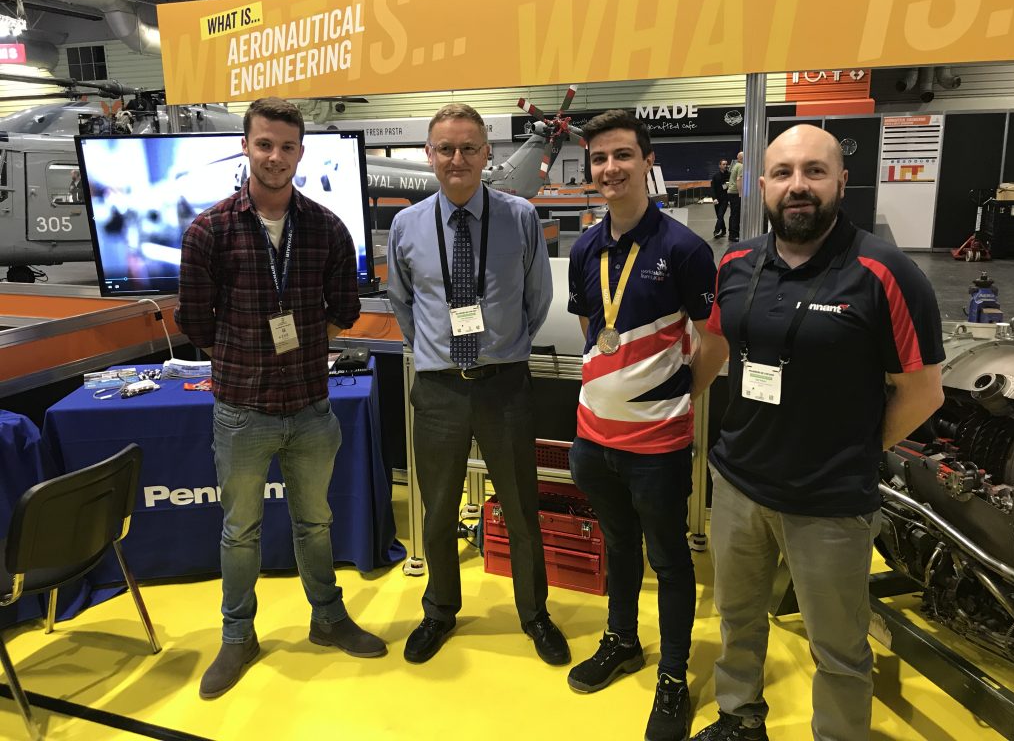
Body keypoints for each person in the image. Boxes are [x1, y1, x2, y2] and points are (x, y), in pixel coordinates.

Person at [691, 124, 945, 740]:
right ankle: (739, 717)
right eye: (783, 173)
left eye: (813, 171)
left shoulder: (885, 273)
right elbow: (718, 344)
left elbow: (923, 391)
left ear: (840, 182)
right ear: (762, 186)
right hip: (739, 484)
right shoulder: (737, 262)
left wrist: (855, 452)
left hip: (828, 501)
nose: (797, 186)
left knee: (838, 646)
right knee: (739, 618)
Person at [176, 97, 386, 700]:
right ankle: (237, 635)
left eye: (287, 147)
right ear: (246, 146)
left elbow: (345, 309)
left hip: (312, 410)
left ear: (300, 152)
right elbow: (196, 322)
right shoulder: (208, 229)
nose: (275, 157)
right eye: (264, 144)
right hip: (240, 412)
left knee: (315, 523)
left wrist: (294, 343)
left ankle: (327, 618)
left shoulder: (325, 227)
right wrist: (252, 349)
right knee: (239, 529)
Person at [387, 103, 569, 666]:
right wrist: (439, 353)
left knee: (521, 509)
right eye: (446, 148)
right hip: (439, 390)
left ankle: (534, 613)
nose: (457, 158)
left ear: (487, 153)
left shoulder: (519, 218)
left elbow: (537, 300)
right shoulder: (406, 226)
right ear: (430, 155)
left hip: (505, 386)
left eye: (469, 147)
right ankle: (440, 610)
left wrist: (502, 349)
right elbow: (403, 303)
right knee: (437, 509)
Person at [566, 109, 721, 741]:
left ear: (646, 161)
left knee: (669, 558)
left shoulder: (684, 248)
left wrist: (673, 394)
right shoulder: (584, 247)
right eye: (600, 159)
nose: (610, 169)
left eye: (623, 155)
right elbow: (589, 331)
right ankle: (622, 640)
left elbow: (714, 344)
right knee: (618, 546)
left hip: (657, 445)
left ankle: (674, 677)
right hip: (592, 439)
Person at [710, 159, 730, 239]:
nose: (725, 166)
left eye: (726, 164)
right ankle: (724, 230)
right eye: (723, 164)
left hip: (725, 198)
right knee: (719, 216)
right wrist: (714, 198)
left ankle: (716, 230)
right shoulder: (715, 176)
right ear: (720, 166)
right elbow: (712, 188)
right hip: (717, 199)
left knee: (721, 214)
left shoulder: (729, 175)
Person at [726, 151, 743, 242]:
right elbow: (739, 179)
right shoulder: (741, 166)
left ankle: (732, 233)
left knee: (733, 214)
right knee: (736, 215)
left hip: (731, 192)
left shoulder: (735, 166)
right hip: (736, 193)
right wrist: (740, 193)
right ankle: (734, 235)